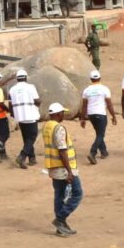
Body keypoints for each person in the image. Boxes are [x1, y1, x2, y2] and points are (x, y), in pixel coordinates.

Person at [44, 102, 83, 237]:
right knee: (77, 194)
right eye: (62, 113)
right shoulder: (58, 128)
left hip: (53, 167)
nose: (63, 115)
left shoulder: (46, 126)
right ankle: (60, 219)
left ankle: (61, 227)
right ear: (57, 114)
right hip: (64, 168)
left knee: (59, 196)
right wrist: (70, 172)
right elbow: (62, 151)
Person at [79, 69, 117, 164]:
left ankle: (104, 152)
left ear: (91, 79)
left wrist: (82, 118)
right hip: (101, 114)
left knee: (99, 133)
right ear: (100, 78)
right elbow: (109, 104)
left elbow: (84, 105)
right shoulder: (104, 89)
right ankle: (93, 152)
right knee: (101, 134)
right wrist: (113, 116)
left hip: (91, 115)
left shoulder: (87, 90)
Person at [9, 69, 41, 169]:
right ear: (26, 78)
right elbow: (37, 100)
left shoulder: (12, 89)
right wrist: (38, 105)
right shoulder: (31, 87)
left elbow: (10, 104)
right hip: (31, 115)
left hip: (20, 117)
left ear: (17, 79)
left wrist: (14, 114)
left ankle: (32, 158)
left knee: (26, 138)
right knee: (32, 137)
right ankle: (22, 156)